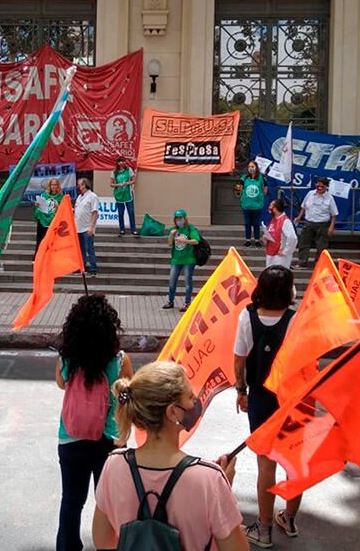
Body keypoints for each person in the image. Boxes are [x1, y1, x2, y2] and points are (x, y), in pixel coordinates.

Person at [92, 361, 248, 551]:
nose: (195, 402)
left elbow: (103, 540)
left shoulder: (114, 465)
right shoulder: (210, 479)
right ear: (173, 412)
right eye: (190, 397)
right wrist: (223, 488)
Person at [54, 294, 133, 551]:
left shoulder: (67, 358)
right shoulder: (120, 359)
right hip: (109, 440)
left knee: (71, 501)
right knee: (109, 504)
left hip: (70, 437)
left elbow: (61, 383)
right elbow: (128, 395)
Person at [233, 266, 301, 548]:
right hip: (292, 398)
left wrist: (241, 389)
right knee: (294, 463)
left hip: (260, 397)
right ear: (288, 292)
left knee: (266, 463)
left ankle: (264, 529)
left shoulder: (247, 317)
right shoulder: (296, 320)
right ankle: (290, 519)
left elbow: (239, 359)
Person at [293, 177, 338, 269]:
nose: (319, 188)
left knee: (321, 246)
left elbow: (334, 215)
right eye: (318, 185)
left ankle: (318, 264)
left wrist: (331, 227)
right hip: (309, 222)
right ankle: (302, 263)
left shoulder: (329, 198)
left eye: (322, 186)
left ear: (326, 187)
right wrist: (299, 217)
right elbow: (303, 207)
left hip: (323, 224)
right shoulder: (310, 194)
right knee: (303, 243)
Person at [163, 209, 199, 311]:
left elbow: (196, 241)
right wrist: (171, 235)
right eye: (177, 218)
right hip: (176, 259)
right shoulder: (174, 230)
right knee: (172, 281)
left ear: (185, 218)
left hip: (189, 259)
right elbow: (170, 244)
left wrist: (185, 241)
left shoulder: (190, 228)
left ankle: (187, 303)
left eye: (181, 218)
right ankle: (170, 301)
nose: (179, 220)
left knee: (188, 282)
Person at [74, 178, 99, 277]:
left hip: (87, 227)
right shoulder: (79, 197)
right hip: (78, 227)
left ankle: (93, 268)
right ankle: (82, 267)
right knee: (81, 249)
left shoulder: (92, 196)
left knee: (90, 248)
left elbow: (95, 212)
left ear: (84, 185)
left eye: (79, 184)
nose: (78, 186)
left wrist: (91, 227)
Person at [240, 160, 267, 248]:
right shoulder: (244, 178)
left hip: (257, 205)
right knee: (247, 222)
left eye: (252, 166)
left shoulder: (261, 178)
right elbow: (240, 188)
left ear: (256, 167)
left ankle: (257, 240)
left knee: (256, 223)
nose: (250, 168)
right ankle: (248, 240)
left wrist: (261, 196)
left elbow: (265, 189)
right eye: (249, 167)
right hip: (246, 204)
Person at [263, 198, 296, 269]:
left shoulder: (285, 221)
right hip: (271, 253)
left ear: (275, 208)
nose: (269, 207)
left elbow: (293, 238)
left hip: (280, 257)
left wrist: (285, 251)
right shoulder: (274, 219)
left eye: (271, 205)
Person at [35, 178, 65, 252]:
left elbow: (63, 211)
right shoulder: (44, 195)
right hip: (43, 220)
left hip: (54, 221)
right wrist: (37, 205)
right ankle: (37, 257)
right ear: (49, 186)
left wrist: (57, 206)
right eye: (52, 185)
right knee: (40, 239)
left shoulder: (61, 197)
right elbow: (40, 207)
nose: (53, 186)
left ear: (58, 186)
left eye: (55, 185)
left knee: (52, 241)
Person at [111, 156, 137, 236]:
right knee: (121, 212)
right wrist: (118, 185)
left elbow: (133, 180)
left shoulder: (129, 170)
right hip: (119, 195)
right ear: (117, 163)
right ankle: (122, 229)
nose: (121, 163)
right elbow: (111, 184)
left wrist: (126, 183)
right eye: (120, 161)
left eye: (123, 161)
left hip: (128, 194)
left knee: (131, 212)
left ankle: (133, 229)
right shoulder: (114, 172)